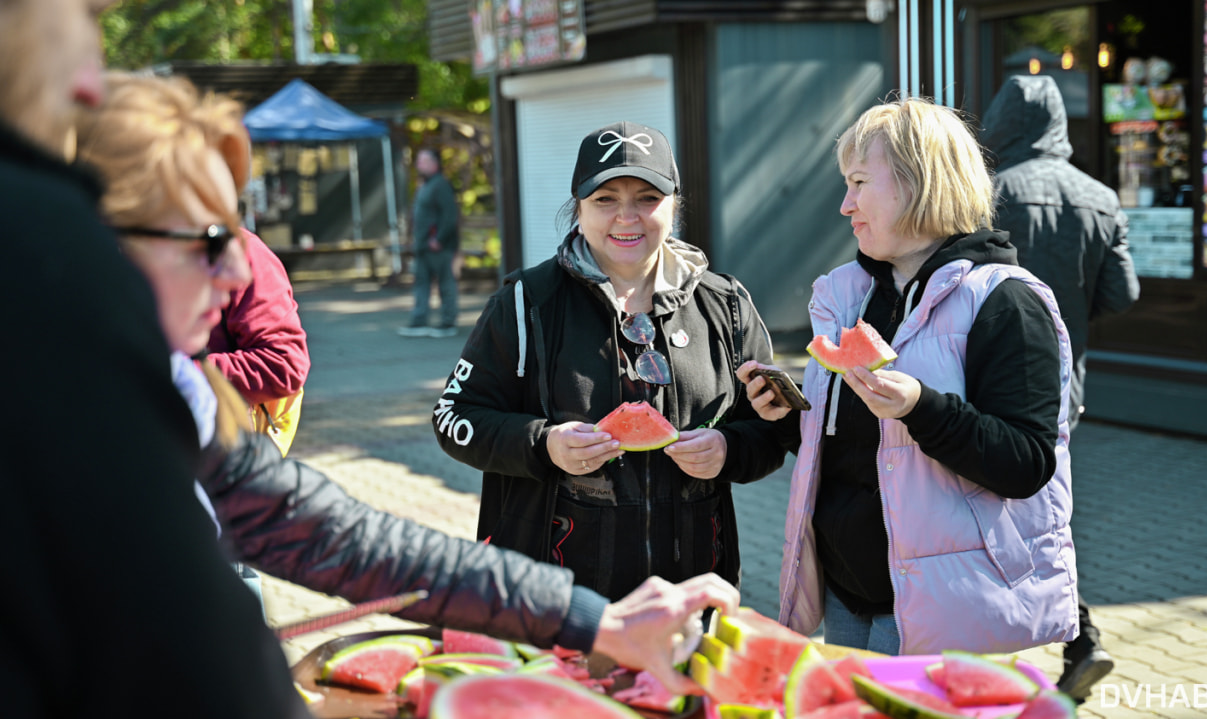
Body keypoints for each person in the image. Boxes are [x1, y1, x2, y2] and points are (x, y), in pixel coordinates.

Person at [76, 74, 737, 696]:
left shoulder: (178, 392)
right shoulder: (43, 401)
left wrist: (587, 618)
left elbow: (337, 535)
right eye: (210, 239)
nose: (234, 277)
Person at [0, 1, 309, 717]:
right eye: (205, 237)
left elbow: (311, 520)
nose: (90, 79)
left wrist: (563, 610)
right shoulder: (51, 276)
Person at [738, 97, 1079, 656]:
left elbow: (1026, 464)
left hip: (944, 606)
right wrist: (782, 418)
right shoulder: (852, 297)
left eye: (858, 182)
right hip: (848, 596)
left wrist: (922, 408)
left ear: (919, 182)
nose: (846, 206)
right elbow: (854, 450)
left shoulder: (1006, 302)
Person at [433, 120, 789, 603]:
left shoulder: (724, 304)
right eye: (605, 200)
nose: (628, 217)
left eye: (647, 198)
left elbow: (773, 428)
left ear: (674, 207)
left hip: (690, 594)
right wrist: (543, 445)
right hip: (554, 598)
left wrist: (730, 449)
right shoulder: (525, 303)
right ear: (578, 209)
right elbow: (453, 417)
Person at [980, 74, 1140, 702]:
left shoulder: (987, 193)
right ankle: (1078, 641)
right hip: (1060, 393)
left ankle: (1038, 649)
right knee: (1048, 513)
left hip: (984, 383)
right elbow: (1121, 295)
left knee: (990, 516)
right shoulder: (1100, 196)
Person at [206, 227, 310, 456]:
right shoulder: (121, 248)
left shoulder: (243, 251)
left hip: (221, 457)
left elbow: (284, 363)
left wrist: (182, 371)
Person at [400, 147, 461, 338]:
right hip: (422, 247)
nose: (419, 164)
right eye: (418, 161)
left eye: (423, 161)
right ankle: (419, 321)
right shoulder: (424, 185)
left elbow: (450, 215)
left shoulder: (441, 185)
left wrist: (439, 238)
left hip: (439, 247)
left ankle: (447, 322)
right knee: (421, 284)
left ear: (434, 163)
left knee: (445, 284)